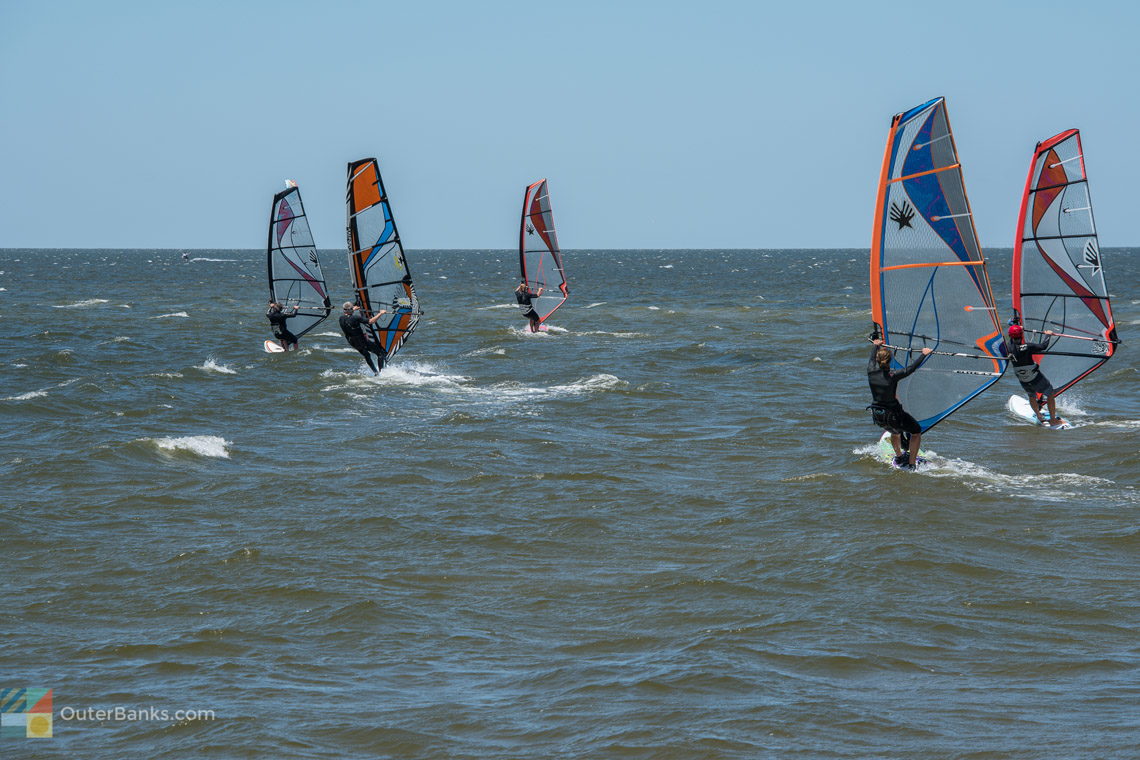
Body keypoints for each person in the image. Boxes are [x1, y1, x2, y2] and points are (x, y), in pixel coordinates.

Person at [867, 336, 934, 470]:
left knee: (895, 431)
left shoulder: (871, 371)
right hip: (894, 414)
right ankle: (911, 463)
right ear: (890, 360)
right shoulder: (893, 376)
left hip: (878, 414)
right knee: (916, 431)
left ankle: (899, 455)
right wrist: (923, 354)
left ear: (877, 360)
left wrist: (876, 345)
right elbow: (910, 369)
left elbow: (871, 359)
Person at [1005, 323, 1065, 427]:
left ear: (1010, 336)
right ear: (1021, 335)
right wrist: (1048, 335)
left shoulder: (1008, 349)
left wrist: (1020, 330)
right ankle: (1053, 419)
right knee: (1050, 393)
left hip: (1023, 379)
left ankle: (1039, 416)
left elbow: (1012, 342)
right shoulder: (1029, 346)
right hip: (1035, 377)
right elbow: (1043, 346)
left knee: (1031, 395)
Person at [339, 301, 388, 375]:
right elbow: (371, 321)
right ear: (350, 309)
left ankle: (375, 372)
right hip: (362, 341)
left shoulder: (341, 318)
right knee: (381, 354)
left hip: (352, 342)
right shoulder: (356, 318)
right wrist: (381, 313)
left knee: (366, 355)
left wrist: (352, 309)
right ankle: (381, 373)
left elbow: (348, 317)